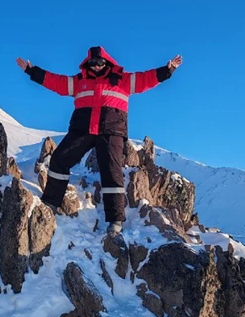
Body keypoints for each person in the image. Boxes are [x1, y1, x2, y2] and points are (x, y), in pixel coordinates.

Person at [16, 47, 182, 235]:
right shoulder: (79, 81)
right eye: (92, 63)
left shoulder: (123, 79)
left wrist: (167, 70)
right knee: (59, 160)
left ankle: (116, 220)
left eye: (100, 62)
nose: (96, 66)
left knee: (112, 172)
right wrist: (32, 71)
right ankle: (51, 203)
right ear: (88, 63)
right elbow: (56, 82)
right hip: (82, 130)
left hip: (111, 131)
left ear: (107, 63)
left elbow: (146, 79)